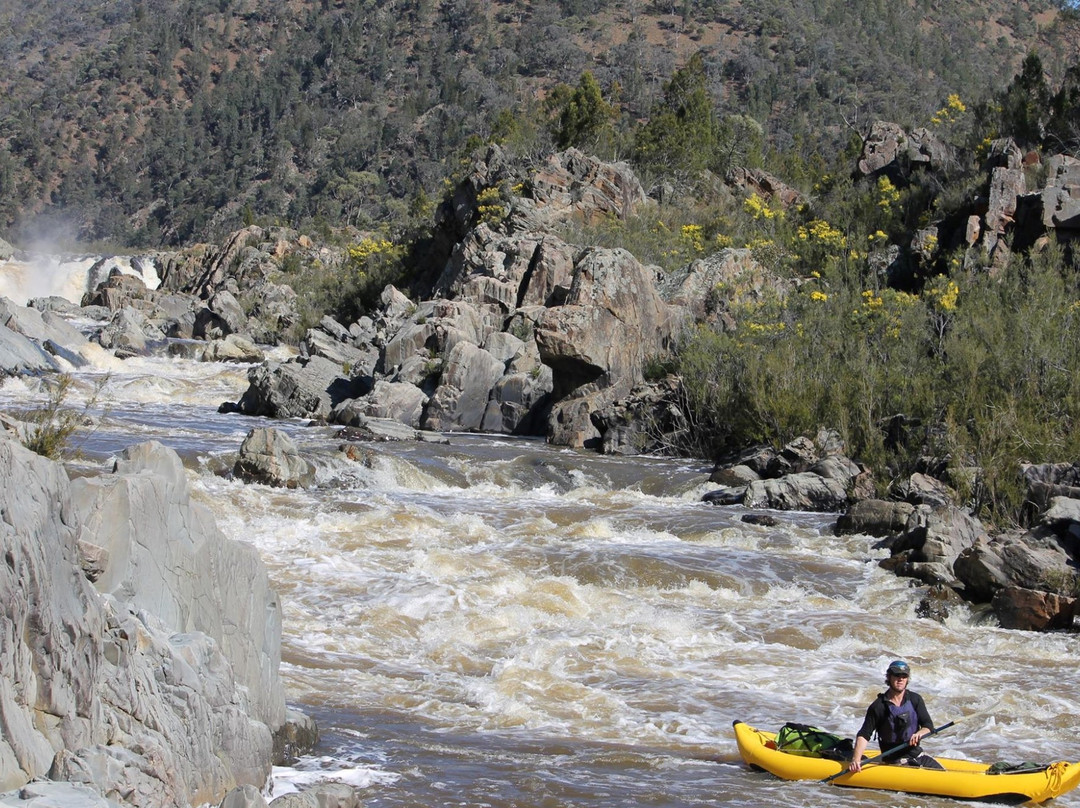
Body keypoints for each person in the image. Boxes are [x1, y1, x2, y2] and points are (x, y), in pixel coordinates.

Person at [848, 659, 945, 771]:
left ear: (907, 679)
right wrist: (856, 759)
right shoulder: (878, 706)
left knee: (944, 774)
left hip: (917, 755)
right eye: (897, 675)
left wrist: (920, 733)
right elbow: (864, 734)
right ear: (889, 677)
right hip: (894, 761)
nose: (900, 679)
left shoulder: (915, 699)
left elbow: (928, 725)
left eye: (904, 676)